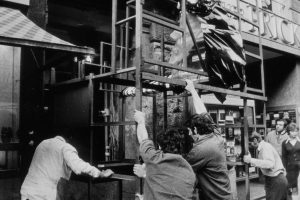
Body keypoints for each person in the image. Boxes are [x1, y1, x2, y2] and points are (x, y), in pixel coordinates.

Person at [20, 129, 114, 200]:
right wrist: (100, 173)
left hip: (27, 192)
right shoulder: (65, 147)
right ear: (69, 139)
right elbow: (79, 166)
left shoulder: (42, 143)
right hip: (44, 195)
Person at [184, 80, 232, 200]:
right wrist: (192, 90)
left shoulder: (201, 149)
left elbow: (179, 168)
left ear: (195, 129)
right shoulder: (216, 136)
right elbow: (203, 112)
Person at [134, 110, 196, 200]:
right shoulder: (190, 172)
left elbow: (143, 139)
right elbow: (168, 188)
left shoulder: (154, 159)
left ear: (160, 146)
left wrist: (140, 120)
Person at [244, 132, 288, 200]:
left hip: (276, 180)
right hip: (274, 180)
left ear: (255, 140)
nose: (250, 146)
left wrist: (250, 160)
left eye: (250, 143)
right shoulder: (264, 147)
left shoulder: (265, 147)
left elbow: (270, 164)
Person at [282, 122, 300, 196]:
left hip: (299, 168)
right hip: (290, 168)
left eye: (296, 131)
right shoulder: (284, 143)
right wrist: (284, 168)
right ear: (289, 132)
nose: (295, 133)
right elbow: (284, 157)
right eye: (293, 131)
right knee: (290, 188)